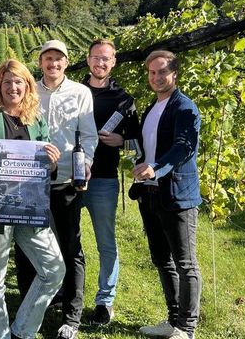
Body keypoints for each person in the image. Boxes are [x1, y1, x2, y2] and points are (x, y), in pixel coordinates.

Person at [0, 59, 65, 339]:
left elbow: (46, 168)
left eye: (19, 81)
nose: (13, 87)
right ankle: (0, 335)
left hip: (29, 209)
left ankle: (22, 330)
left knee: (54, 269)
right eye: (7, 81)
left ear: (27, 86)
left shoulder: (36, 120)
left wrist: (53, 162)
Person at [15, 39, 98, 339]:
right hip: (31, 182)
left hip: (66, 181)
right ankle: (29, 307)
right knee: (26, 248)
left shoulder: (80, 93)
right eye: (48, 59)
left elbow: (88, 136)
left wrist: (85, 164)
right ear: (41, 62)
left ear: (66, 62)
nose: (53, 64)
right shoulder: (29, 91)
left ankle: (71, 317)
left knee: (70, 246)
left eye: (58, 59)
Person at [131, 50, 202, 339]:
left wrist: (156, 168)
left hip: (176, 196)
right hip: (150, 195)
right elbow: (149, 145)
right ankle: (173, 321)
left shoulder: (185, 107)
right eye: (152, 73)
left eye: (162, 72)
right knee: (162, 259)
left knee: (185, 263)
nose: (157, 77)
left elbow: (183, 147)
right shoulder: (153, 107)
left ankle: (187, 327)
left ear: (175, 73)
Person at [80, 39, 140, 325]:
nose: (100, 63)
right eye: (95, 58)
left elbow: (139, 142)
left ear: (113, 62)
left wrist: (122, 141)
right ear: (88, 59)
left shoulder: (123, 99)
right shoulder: (74, 91)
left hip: (103, 179)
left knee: (105, 242)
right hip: (71, 176)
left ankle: (105, 301)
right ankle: (67, 291)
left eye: (106, 59)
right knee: (67, 239)